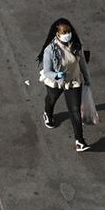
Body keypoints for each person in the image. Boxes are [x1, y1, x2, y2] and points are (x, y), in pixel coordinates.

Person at [38, 18, 92, 152]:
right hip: (57, 82)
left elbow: (82, 63)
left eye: (69, 31)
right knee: (51, 98)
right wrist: (57, 76)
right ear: (57, 33)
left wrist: (87, 78)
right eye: (64, 32)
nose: (67, 34)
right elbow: (47, 71)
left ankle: (80, 141)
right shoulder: (50, 50)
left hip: (73, 81)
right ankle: (48, 113)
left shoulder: (76, 45)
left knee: (75, 111)